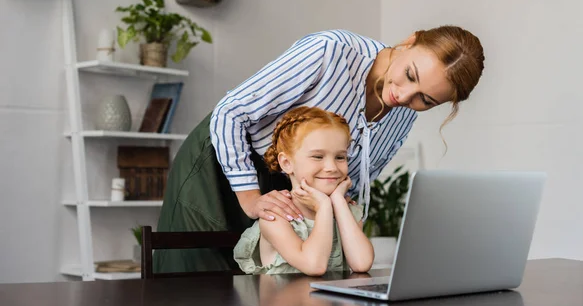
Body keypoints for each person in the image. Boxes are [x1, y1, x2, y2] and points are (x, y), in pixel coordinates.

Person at [154, 27, 485, 274]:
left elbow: (349, 177)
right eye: (410, 75)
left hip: (289, 190)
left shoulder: (402, 117)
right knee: (197, 286)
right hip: (223, 165)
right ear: (410, 41)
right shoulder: (330, 52)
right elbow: (231, 113)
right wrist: (252, 199)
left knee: (257, 292)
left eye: (425, 100)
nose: (404, 96)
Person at [234, 106, 374, 275]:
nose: (331, 167)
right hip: (288, 301)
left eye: (340, 157)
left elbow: (361, 263)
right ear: (287, 163)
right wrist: (323, 207)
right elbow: (314, 265)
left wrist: (337, 201)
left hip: (329, 302)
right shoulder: (276, 216)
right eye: (318, 157)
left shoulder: (346, 211)